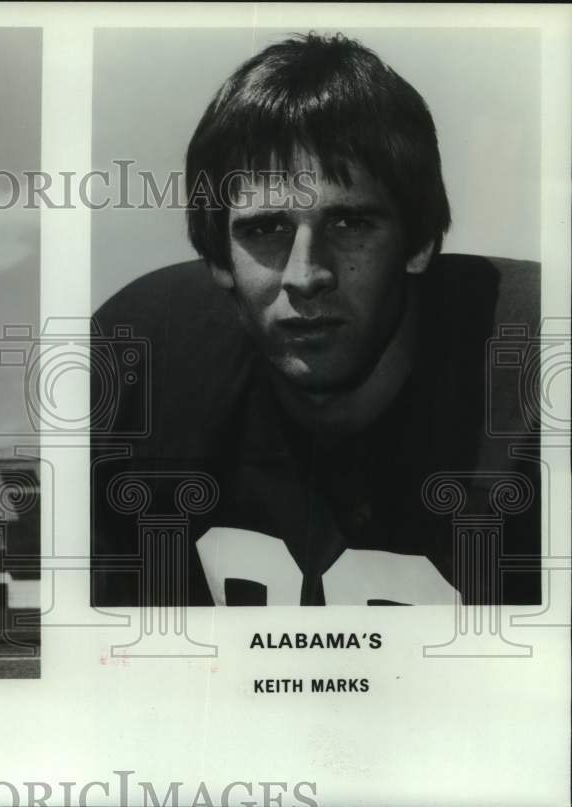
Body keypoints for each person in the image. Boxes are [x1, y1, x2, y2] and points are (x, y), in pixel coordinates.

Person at [91, 34, 541, 607]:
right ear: (217, 259)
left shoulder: (538, 374)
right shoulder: (137, 369)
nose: (306, 275)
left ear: (421, 241)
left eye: (350, 224)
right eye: (266, 229)